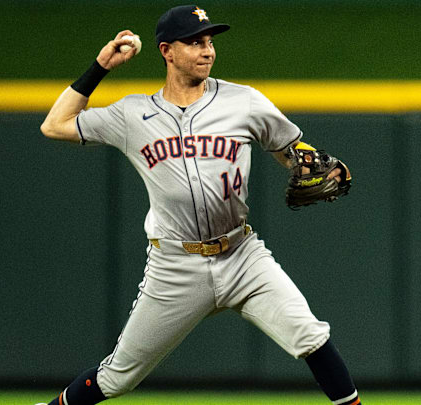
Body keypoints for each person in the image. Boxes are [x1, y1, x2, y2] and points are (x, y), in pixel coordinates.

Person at [38, 5, 360, 405]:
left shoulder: (244, 101)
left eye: (209, 41)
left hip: (243, 255)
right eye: (194, 42)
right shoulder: (132, 114)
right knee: (118, 377)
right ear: (166, 51)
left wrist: (313, 163)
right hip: (176, 266)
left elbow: (290, 150)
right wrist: (101, 66)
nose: (207, 50)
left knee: (311, 335)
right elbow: (54, 125)